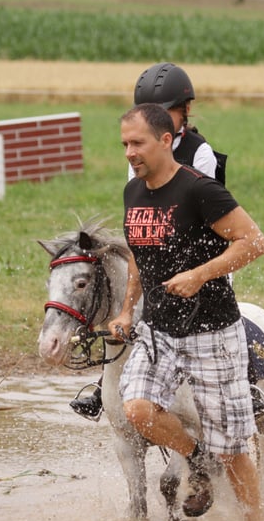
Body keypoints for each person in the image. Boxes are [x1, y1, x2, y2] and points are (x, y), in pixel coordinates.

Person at [106, 103, 264, 521]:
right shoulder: (132, 193)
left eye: (137, 143)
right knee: (137, 409)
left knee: (232, 448)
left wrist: (200, 274)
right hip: (158, 332)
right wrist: (126, 310)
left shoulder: (200, 190)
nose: (129, 152)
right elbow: (139, 255)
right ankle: (197, 459)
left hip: (211, 332)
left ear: (165, 140)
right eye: (124, 144)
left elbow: (253, 241)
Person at [70, 62, 222, 420]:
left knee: (222, 310)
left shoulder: (201, 152)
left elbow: (197, 207)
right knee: (128, 316)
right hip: (153, 249)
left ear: (185, 111)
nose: (157, 120)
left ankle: (249, 384)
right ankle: (107, 383)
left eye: (165, 113)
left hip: (201, 256)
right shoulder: (137, 153)